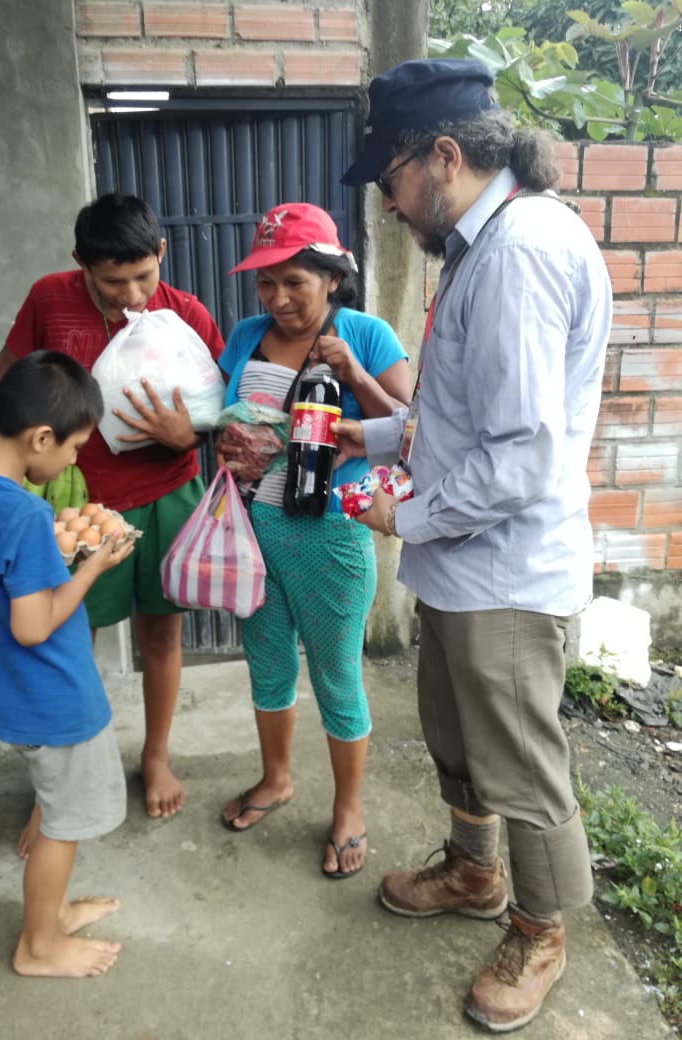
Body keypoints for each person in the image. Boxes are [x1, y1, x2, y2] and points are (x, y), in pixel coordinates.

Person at [335, 59, 612, 1030]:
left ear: (443, 158)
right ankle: (473, 869)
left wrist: (402, 516)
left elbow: (523, 456)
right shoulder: (481, 248)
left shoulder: (522, 253)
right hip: (463, 561)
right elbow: (453, 420)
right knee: (456, 733)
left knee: (520, 760)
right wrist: (354, 438)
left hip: (507, 567)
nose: (391, 202)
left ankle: (540, 929)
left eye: (392, 180)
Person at [0, 193, 224, 832]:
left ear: (162, 253)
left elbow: (218, 408)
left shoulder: (186, 315)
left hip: (167, 493)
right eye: (111, 281)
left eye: (142, 277)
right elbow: (9, 375)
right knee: (70, 639)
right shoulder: (50, 298)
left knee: (160, 634)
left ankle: (155, 758)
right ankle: (62, 780)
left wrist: (190, 438)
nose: (129, 294)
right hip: (79, 506)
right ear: (80, 265)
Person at [216, 203, 410, 878]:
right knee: (267, 664)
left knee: (335, 675)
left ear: (332, 277)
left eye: (293, 280)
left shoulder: (367, 332)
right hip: (252, 530)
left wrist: (354, 374)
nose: (277, 298)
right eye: (265, 283)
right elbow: (214, 414)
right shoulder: (245, 335)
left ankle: (349, 810)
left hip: (329, 533)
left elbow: (417, 429)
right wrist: (225, 437)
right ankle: (276, 779)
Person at [0, 351, 136, 977]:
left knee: (57, 805)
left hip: (5, 690)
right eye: (75, 447)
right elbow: (32, 625)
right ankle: (39, 945)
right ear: (41, 437)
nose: (75, 461)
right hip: (48, 694)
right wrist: (91, 568)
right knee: (65, 821)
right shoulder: (22, 512)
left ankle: (50, 916)